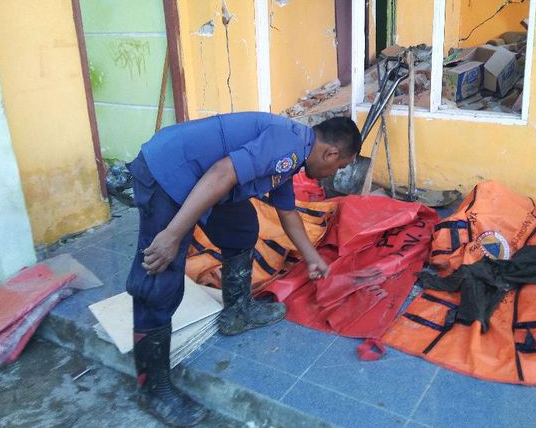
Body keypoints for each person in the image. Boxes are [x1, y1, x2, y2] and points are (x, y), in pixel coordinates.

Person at [125, 112, 361, 426]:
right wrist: (171, 234)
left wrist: (313, 259)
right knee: (159, 278)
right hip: (167, 173)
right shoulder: (289, 146)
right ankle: (152, 388)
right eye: (339, 167)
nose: (332, 175)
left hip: (201, 178)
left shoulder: (293, 155)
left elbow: (287, 213)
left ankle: (237, 311)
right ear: (330, 153)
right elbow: (223, 173)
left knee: (241, 226)